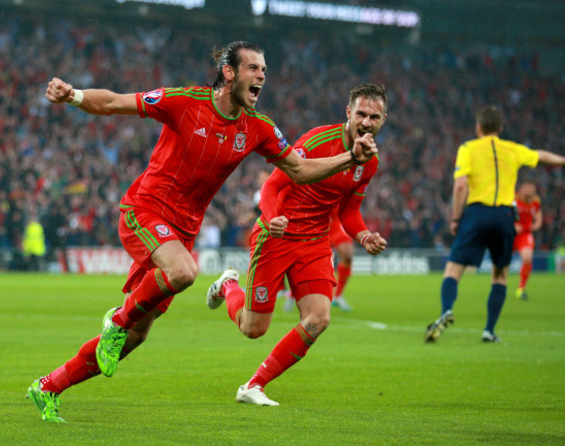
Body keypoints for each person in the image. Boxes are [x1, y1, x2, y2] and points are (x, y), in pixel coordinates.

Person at [26, 41, 376, 422]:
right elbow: (113, 102)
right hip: (144, 210)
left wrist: (350, 157)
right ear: (229, 72)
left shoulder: (258, 128)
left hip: (182, 230)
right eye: (254, 69)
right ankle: (118, 320)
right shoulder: (184, 102)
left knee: (136, 338)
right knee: (183, 273)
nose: (262, 76)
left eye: (264, 70)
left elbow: (301, 171)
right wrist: (73, 95)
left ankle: (48, 386)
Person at [206, 83, 388, 406]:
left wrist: (364, 236)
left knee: (319, 318)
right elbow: (272, 186)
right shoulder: (318, 140)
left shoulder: (369, 162)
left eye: (374, 117)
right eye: (361, 113)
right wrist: (273, 217)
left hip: (315, 241)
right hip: (278, 234)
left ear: (383, 120)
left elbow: (349, 210)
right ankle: (229, 287)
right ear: (348, 113)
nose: (366, 122)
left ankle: (254, 385)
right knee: (253, 328)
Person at [424, 106, 565, 344]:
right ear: (500, 128)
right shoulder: (512, 149)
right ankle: (489, 331)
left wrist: (456, 218)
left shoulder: (468, 149)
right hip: (504, 215)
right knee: (499, 275)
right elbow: (540, 156)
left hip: (477, 213)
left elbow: (460, 186)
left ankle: (446, 310)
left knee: (454, 269)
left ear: (478, 127)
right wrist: (562, 160)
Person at [513, 181, 542, 300]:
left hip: (525, 234)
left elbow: (539, 213)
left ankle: (521, 288)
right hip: (511, 233)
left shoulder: (536, 201)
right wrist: (513, 224)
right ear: (521, 188)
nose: (530, 191)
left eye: (532, 188)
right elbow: (507, 213)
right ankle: (498, 284)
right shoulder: (514, 199)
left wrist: (537, 224)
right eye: (527, 188)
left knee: (527, 257)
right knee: (501, 260)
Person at [329, 208, 355, 311]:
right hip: (320, 224)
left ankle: (338, 296)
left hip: (336, 225)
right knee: (310, 260)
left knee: (348, 256)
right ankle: (293, 294)